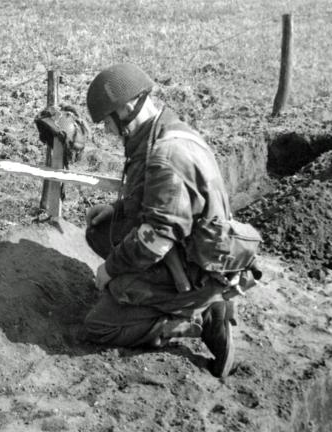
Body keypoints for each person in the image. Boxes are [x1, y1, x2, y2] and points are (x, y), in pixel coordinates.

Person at [82, 63, 240, 378]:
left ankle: (200, 316)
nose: (108, 132)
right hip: (189, 248)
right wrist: (117, 211)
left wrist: (110, 271)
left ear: (126, 109)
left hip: (197, 268)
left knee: (98, 326)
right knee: (101, 231)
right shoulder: (163, 128)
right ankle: (175, 299)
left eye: (108, 123)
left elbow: (155, 238)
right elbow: (161, 203)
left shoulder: (166, 154)